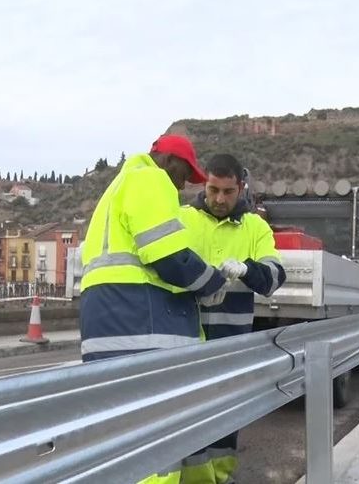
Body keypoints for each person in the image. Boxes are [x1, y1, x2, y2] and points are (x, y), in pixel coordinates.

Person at [79, 134, 228, 484]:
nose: (181, 186)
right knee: (156, 434)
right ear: (168, 161)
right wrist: (212, 284)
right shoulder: (150, 178)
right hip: (139, 321)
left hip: (108, 320)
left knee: (121, 428)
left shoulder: (116, 190)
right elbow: (169, 256)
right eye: (183, 175)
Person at [179, 154, 286, 484]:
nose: (219, 199)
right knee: (190, 416)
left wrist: (248, 270)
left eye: (227, 191)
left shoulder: (255, 227)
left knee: (225, 419)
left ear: (240, 188)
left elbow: (274, 276)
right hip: (186, 341)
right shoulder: (183, 218)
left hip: (231, 344)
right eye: (213, 190)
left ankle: (221, 478)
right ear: (205, 185)